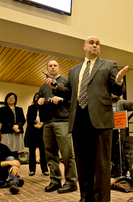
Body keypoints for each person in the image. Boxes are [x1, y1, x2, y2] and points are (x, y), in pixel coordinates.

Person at [46, 36, 128, 202]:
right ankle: (86, 197)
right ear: (84, 46)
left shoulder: (109, 65)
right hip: (78, 120)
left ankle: (102, 200)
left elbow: (117, 90)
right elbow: (68, 91)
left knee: (102, 165)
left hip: (100, 120)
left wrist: (119, 81)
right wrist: (55, 86)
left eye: (97, 44)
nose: (95, 45)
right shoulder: (74, 70)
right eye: (92, 43)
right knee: (83, 164)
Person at [38, 59, 77, 194]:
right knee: (50, 154)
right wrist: (39, 102)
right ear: (47, 69)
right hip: (47, 123)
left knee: (67, 153)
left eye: (55, 65)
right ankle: (55, 180)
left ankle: (71, 181)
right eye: (50, 66)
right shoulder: (43, 86)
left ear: (59, 68)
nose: (53, 67)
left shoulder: (66, 82)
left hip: (63, 121)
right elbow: (38, 104)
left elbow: (73, 99)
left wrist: (61, 99)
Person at [111, 94, 133, 177]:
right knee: (111, 150)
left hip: (120, 129)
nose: (114, 94)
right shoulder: (106, 104)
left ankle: (122, 171)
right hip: (110, 129)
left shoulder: (120, 102)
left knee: (119, 149)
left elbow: (131, 103)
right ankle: (113, 170)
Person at [24, 93, 49, 176]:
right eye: (36, 97)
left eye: (39, 97)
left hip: (42, 130)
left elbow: (47, 117)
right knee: (32, 151)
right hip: (32, 131)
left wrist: (42, 124)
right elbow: (29, 118)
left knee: (43, 151)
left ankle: (45, 170)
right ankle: (32, 170)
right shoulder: (31, 108)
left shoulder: (45, 107)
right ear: (34, 99)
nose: (38, 98)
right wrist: (35, 125)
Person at [0, 93, 26, 158]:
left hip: (17, 131)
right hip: (7, 131)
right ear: (6, 99)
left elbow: (23, 120)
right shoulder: (3, 109)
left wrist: (17, 126)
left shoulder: (19, 109)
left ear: (15, 100)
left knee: (16, 150)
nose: (11, 99)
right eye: (9, 98)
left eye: (13, 98)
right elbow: (3, 120)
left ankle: (14, 164)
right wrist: (13, 126)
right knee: (6, 149)